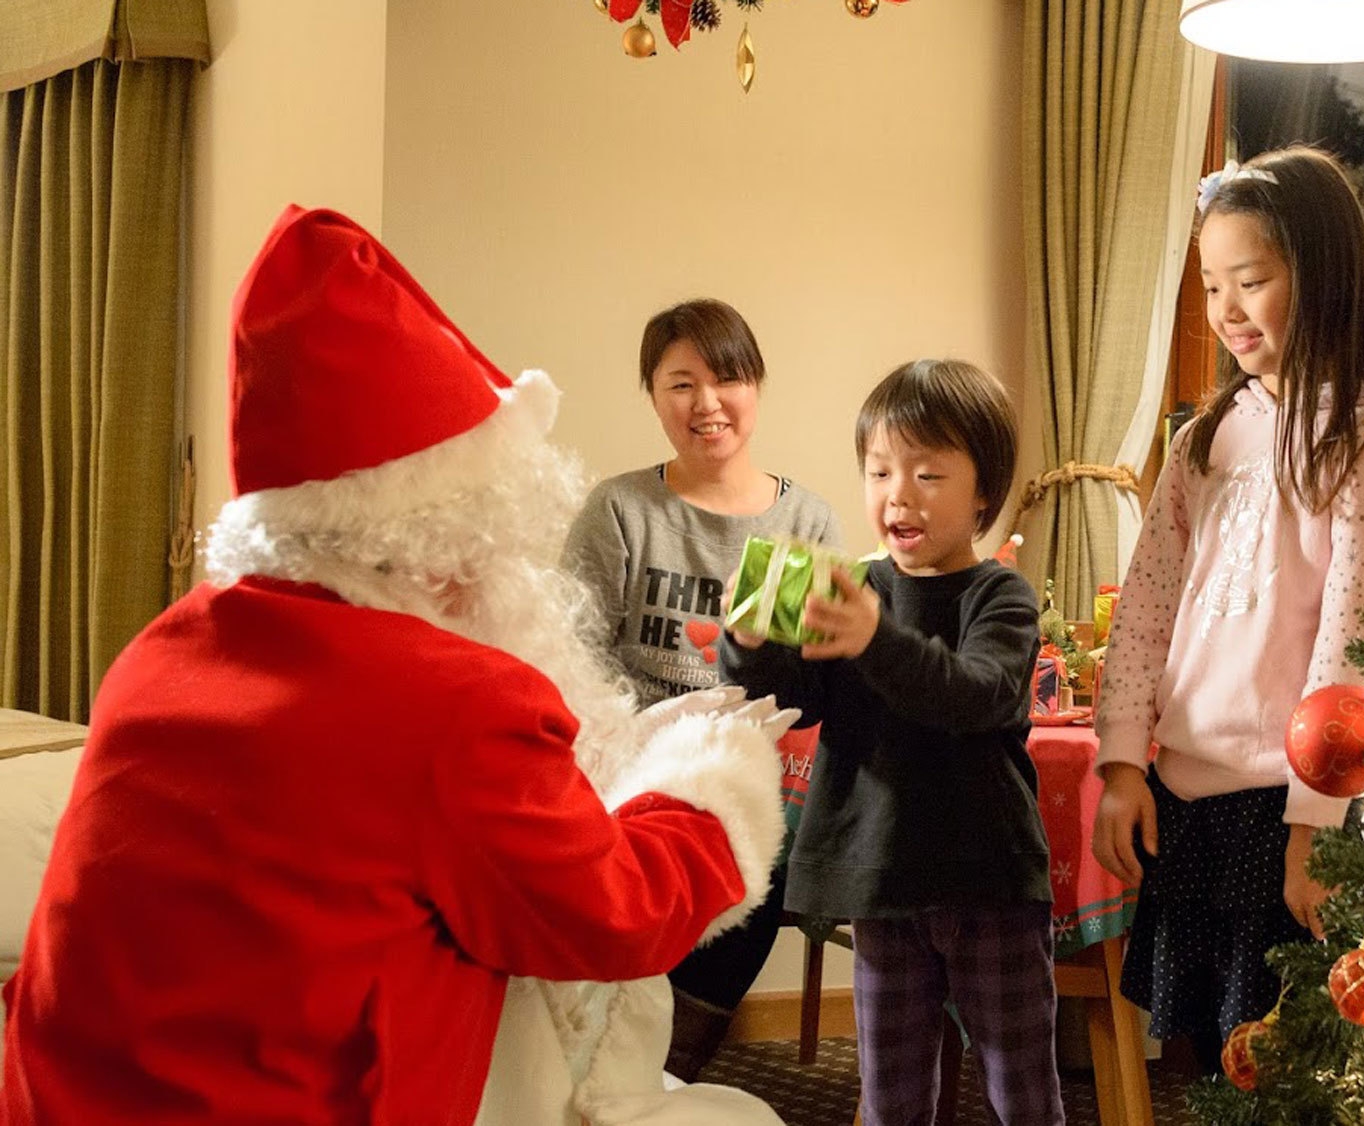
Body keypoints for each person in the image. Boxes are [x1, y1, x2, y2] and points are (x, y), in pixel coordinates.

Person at [0, 206, 789, 1126]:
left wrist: (611, 760)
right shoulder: (455, 700)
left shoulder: (160, 650)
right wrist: (713, 778)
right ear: (456, 528)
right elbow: (612, 915)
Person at [1088, 147, 1364, 1074]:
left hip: (1286, 812)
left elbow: (1358, 642)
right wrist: (1122, 763)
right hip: (1184, 798)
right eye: (1210, 284)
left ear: (1318, 277)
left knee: (1279, 1069)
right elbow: (1147, 607)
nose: (1225, 310)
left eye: (1252, 280)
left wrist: (1314, 825)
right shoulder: (1207, 434)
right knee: (1200, 1060)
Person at [722, 360, 1064, 1126]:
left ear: (983, 491)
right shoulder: (856, 588)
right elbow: (792, 700)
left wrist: (875, 639)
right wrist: (750, 642)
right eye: (879, 471)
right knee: (891, 1097)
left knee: (1023, 1091)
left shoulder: (998, 594)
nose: (897, 494)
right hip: (880, 882)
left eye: (927, 472)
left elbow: (975, 695)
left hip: (990, 883)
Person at [563, 298, 841, 1079]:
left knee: (764, 837)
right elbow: (573, 659)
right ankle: (611, 1057)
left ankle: (667, 1066)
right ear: (653, 396)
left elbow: (805, 684)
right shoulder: (621, 511)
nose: (706, 404)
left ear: (756, 387)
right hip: (633, 760)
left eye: (726, 379)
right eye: (681, 384)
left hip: (759, 765)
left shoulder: (801, 522)